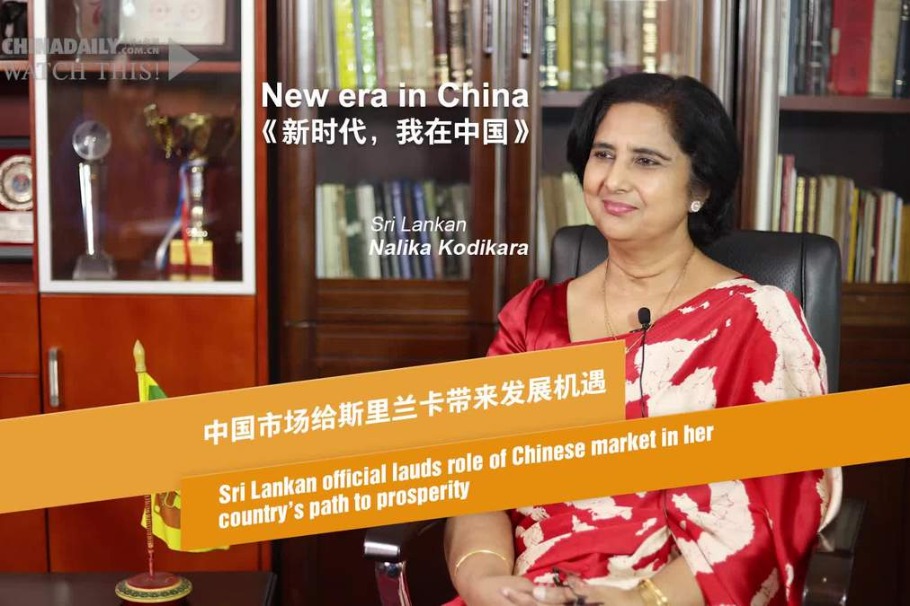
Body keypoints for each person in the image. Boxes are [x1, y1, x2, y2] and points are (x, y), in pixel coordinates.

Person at [442, 73, 841, 606]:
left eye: (646, 161)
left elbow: (771, 509)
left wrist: (644, 598)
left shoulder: (755, 321)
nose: (614, 179)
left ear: (700, 188)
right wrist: (484, 581)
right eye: (603, 154)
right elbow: (479, 483)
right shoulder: (533, 321)